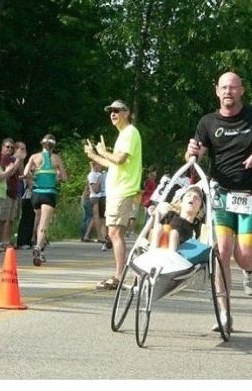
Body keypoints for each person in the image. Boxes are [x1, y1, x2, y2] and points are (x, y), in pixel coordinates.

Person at [185, 71, 252, 331]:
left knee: (243, 256)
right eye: (224, 88)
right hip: (220, 194)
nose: (228, 92)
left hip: (249, 196)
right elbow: (196, 155)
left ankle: (250, 271)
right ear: (217, 91)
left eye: (233, 87)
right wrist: (192, 152)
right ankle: (224, 313)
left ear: (241, 90)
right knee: (221, 252)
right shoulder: (207, 122)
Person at [84, 99, 142, 290]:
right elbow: (114, 164)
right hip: (117, 189)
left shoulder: (130, 133)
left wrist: (102, 151)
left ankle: (119, 276)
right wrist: (94, 155)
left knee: (116, 233)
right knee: (113, 232)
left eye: (117, 110)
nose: (113, 114)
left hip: (123, 189)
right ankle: (121, 274)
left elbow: (119, 158)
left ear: (127, 113)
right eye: (111, 111)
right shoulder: (123, 135)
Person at [24, 134, 68, 263]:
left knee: (38, 220)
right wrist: (57, 176)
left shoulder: (34, 157)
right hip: (49, 193)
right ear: (53, 145)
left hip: (36, 194)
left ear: (42, 144)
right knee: (44, 223)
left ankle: (40, 248)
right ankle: (38, 247)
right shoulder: (56, 158)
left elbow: (26, 174)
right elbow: (64, 178)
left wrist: (33, 182)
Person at [151, 185, 204, 252]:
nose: (192, 198)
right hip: (161, 245)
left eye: (196, 198)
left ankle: (170, 257)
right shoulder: (171, 215)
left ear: (200, 209)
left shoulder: (198, 225)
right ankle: (152, 252)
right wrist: (156, 214)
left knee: (174, 234)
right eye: (189, 196)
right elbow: (156, 229)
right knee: (159, 227)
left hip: (181, 251)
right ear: (181, 203)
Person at [0, 138, 25, 247]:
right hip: (5, 191)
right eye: (7, 147)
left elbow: (21, 173)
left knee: (10, 219)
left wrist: (20, 160)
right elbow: (11, 172)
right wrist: (18, 159)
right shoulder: (3, 159)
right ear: (2, 147)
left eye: (12, 148)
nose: (10, 149)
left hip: (14, 191)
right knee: (2, 218)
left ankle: (6, 241)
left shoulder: (13, 159)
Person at [83, 161, 106, 243]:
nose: (100, 166)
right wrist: (100, 180)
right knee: (97, 217)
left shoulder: (97, 174)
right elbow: (95, 189)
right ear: (94, 165)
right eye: (98, 164)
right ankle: (100, 236)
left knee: (95, 217)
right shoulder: (93, 175)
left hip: (98, 197)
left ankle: (87, 235)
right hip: (95, 197)